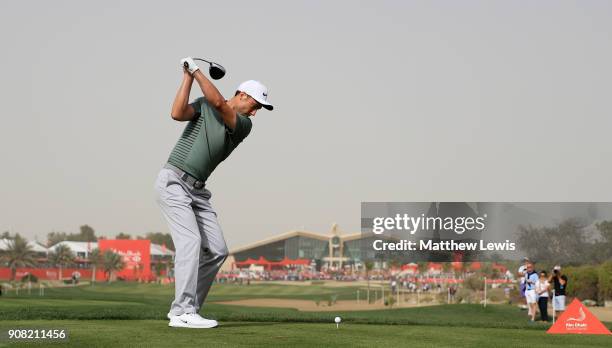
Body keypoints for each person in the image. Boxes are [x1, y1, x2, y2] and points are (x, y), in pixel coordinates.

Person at [155, 57, 273, 329]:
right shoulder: (205, 103)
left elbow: (220, 103)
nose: (255, 113)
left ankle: (186, 309)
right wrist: (187, 76)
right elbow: (177, 113)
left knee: (218, 250)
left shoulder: (243, 124)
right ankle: (183, 310)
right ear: (242, 95)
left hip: (198, 192)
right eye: (255, 106)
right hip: (173, 181)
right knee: (190, 242)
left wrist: (196, 70)